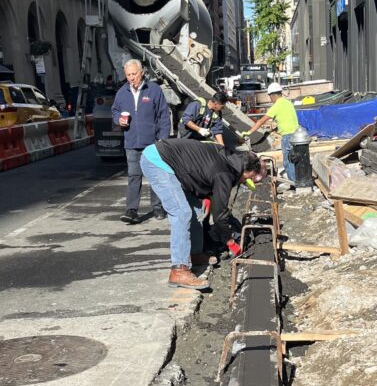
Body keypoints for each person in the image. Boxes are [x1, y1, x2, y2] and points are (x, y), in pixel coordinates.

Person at [140, 138, 267, 290]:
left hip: (173, 161)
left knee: (198, 209)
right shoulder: (224, 173)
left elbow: (200, 169)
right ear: (247, 171)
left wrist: (204, 195)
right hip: (158, 161)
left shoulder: (230, 158)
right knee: (181, 213)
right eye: (248, 178)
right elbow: (220, 215)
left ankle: (194, 253)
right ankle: (179, 270)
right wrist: (230, 241)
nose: (245, 181)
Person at [112, 59, 171, 224]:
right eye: (128, 75)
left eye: (134, 74)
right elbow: (115, 111)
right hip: (131, 142)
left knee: (155, 176)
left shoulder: (153, 90)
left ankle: (158, 208)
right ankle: (131, 210)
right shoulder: (122, 92)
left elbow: (163, 116)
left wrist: (163, 139)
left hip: (152, 142)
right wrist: (119, 119)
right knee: (133, 176)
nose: (131, 78)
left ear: (142, 72)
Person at [245, 82, 299, 191]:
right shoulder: (288, 103)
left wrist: (249, 132)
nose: (270, 99)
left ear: (273, 95)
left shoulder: (277, 106)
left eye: (270, 96)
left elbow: (261, 121)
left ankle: (294, 184)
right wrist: (275, 129)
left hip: (288, 136)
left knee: (288, 161)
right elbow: (287, 118)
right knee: (295, 159)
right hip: (297, 135)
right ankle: (297, 181)